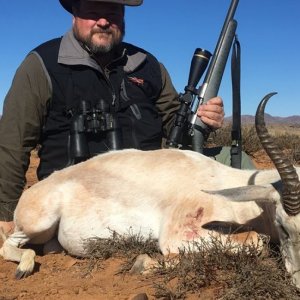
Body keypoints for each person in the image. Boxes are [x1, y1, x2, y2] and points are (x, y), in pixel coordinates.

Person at [0, 0, 253, 234]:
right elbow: (13, 143)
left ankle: (282, 234)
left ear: (123, 18)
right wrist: (6, 213)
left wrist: (203, 121)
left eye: (112, 12)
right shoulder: (42, 64)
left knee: (237, 161)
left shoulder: (147, 65)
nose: (103, 21)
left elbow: (176, 125)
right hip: (82, 198)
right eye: (92, 11)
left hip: (153, 189)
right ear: (74, 13)